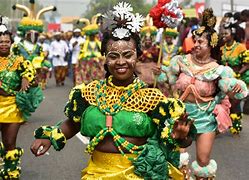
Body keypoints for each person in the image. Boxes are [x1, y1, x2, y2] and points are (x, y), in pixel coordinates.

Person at [30, 2, 195, 179]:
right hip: (96, 174)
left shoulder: (152, 98)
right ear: (105, 59)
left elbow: (180, 139)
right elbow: (73, 124)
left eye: (128, 55)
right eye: (113, 56)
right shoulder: (89, 93)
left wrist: (179, 136)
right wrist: (49, 137)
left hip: (138, 174)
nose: (121, 62)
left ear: (137, 56)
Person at [166, 9, 248, 179]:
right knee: (177, 158)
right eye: (195, 40)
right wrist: (160, 73)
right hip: (180, 115)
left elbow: (233, 91)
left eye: (200, 42)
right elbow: (169, 80)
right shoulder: (181, 62)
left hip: (205, 117)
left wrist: (236, 90)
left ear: (211, 45)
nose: (195, 44)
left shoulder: (219, 70)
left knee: (203, 161)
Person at [0, 16, 43, 179]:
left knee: (10, 143)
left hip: (11, 106)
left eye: (6, 41)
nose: (4, 44)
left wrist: (26, 79)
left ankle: (10, 173)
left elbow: (28, 71)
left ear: (11, 43)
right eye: (1, 41)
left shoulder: (18, 60)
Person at [220, 16, 248, 134]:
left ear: (232, 34)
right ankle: (221, 123)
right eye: (223, 33)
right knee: (223, 102)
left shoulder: (240, 47)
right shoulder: (221, 48)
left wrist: (237, 74)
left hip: (237, 78)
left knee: (234, 102)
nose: (224, 35)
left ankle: (235, 125)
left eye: (226, 33)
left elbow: (247, 64)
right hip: (223, 80)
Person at [75, 15, 104, 85]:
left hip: (96, 64)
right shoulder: (84, 44)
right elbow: (81, 54)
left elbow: (101, 53)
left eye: (93, 35)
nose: (92, 37)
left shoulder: (99, 43)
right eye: (90, 35)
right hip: (87, 64)